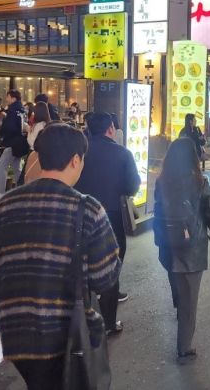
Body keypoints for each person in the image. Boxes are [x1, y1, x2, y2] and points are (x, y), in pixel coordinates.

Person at [0, 123, 121, 389]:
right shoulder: (88, 209)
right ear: (76, 160)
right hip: (66, 336)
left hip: (16, 335)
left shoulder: (3, 207)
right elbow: (105, 278)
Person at [153, 138, 210, 364]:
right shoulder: (199, 181)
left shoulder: (161, 181)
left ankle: (178, 307)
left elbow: (158, 208)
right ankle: (184, 348)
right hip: (192, 246)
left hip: (168, 242)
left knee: (176, 282)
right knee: (189, 301)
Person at [75, 112, 140, 336]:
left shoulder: (80, 152)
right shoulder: (122, 153)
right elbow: (133, 185)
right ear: (111, 129)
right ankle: (109, 322)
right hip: (110, 214)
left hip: (80, 213)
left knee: (82, 262)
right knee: (111, 262)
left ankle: (85, 311)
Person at [0, 90, 28, 203]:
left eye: (8, 97)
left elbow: (9, 127)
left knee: (0, 166)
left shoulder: (12, 110)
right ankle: (22, 192)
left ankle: (1, 193)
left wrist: (4, 122)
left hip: (12, 142)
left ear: (13, 98)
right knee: (17, 168)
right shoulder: (22, 110)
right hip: (20, 142)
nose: (6, 99)